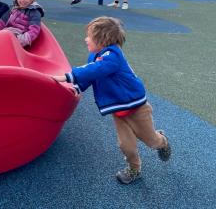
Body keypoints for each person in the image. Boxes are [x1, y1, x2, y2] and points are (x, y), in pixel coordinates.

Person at [52, 16, 171, 184]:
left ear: (102, 40)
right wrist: (77, 87)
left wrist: (67, 76)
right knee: (125, 145)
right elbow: (90, 76)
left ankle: (163, 141)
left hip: (137, 107)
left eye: (89, 37)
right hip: (119, 110)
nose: (86, 39)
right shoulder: (93, 57)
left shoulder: (113, 56)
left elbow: (97, 69)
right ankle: (134, 169)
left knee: (151, 140)